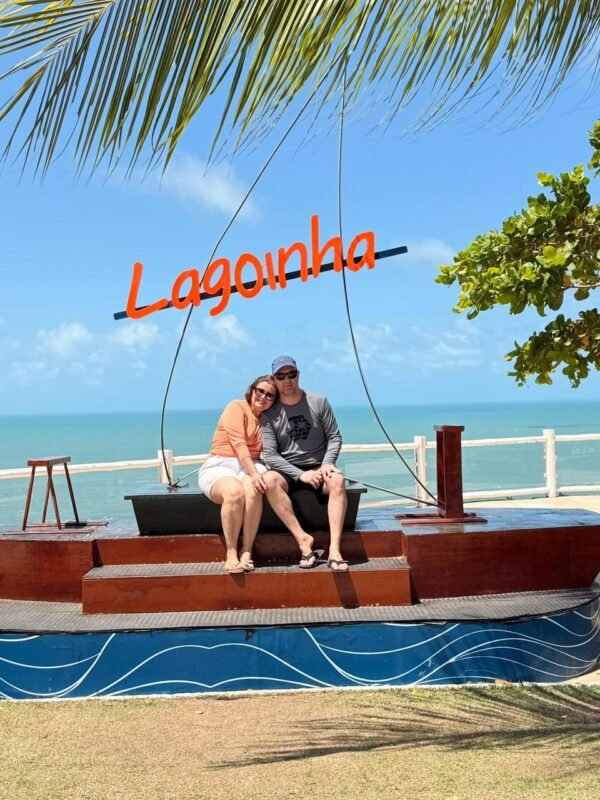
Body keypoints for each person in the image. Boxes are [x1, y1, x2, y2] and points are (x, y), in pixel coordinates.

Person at [261, 356, 349, 572]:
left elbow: (334, 437)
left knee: (338, 481)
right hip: (289, 471)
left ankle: (335, 550)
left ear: (298, 375)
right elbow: (270, 455)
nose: (287, 380)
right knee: (269, 480)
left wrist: (327, 463)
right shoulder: (269, 412)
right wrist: (300, 475)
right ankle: (303, 541)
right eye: (281, 376)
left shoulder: (318, 401)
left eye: (291, 374)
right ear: (274, 379)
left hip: (319, 466)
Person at [198, 375, 278, 573]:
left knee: (254, 490)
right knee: (234, 492)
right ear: (252, 390)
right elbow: (239, 444)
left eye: (270, 395)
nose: (263, 397)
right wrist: (254, 473)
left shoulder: (269, 420)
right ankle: (231, 551)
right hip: (221, 462)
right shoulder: (236, 407)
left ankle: (247, 550)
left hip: (251, 464)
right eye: (260, 391)